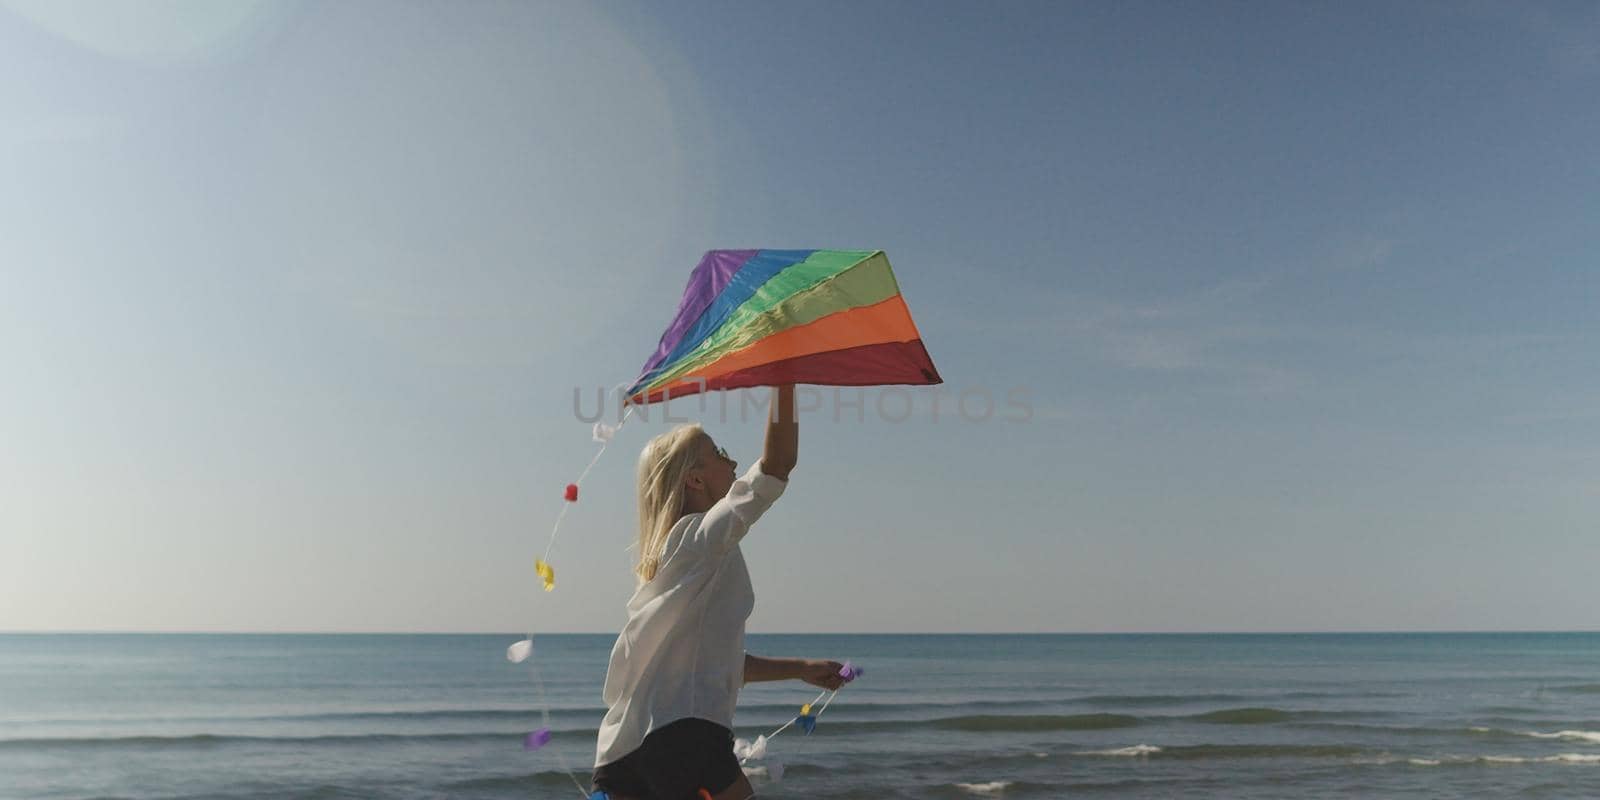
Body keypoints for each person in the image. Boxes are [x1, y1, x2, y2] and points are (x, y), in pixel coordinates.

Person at [592, 385, 847, 800]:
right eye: (720, 452)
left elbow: (708, 662)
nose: (732, 461)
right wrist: (785, 376)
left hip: (621, 755)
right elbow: (775, 469)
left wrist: (799, 667)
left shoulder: (666, 563)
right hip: (682, 739)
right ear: (695, 478)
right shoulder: (699, 538)